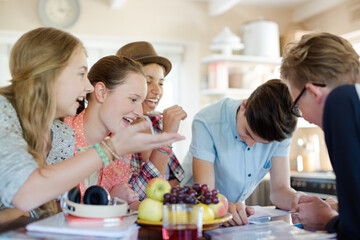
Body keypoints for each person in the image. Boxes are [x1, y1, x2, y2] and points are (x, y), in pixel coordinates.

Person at [0, 27, 184, 221]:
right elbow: (25, 196)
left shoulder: (60, 134)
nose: (88, 86)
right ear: (48, 74)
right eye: (81, 74)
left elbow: (48, 210)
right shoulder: (4, 112)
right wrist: (112, 149)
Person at [190, 79, 303, 226]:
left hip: (235, 215)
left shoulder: (279, 130)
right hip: (196, 215)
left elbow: (279, 191)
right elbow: (206, 195)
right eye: (246, 133)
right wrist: (225, 206)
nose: (250, 144)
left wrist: (303, 201)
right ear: (244, 105)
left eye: (262, 143)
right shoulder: (206, 121)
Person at [280, 32, 360, 239]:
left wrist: (326, 219)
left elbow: (354, 231)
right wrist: (345, 208)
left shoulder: (341, 101)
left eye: (297, 106)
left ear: (314, 92)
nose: (303, 116)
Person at [62, 55, 146, 210]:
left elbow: (125, 201)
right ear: (101, 92)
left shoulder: (121, 147)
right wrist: (111, 199)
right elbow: (53, 209)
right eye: (133, 100)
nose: (140, 112)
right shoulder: (60, 139)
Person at [116, 41, 187, 200]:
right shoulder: (114, 130)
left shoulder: (157, 122)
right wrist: (167, 136)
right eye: (148, 82)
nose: (157, 91)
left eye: (161, 83)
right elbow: (138, 194)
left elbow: (173, 181)